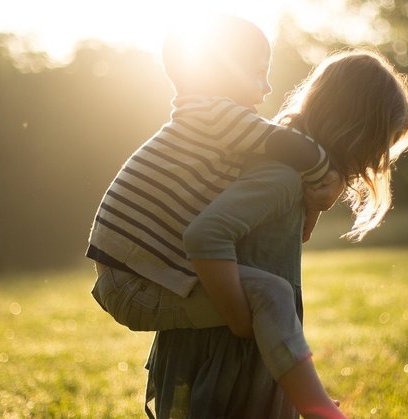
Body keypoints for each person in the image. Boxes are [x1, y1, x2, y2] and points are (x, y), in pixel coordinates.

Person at [86, 15, 347, 417]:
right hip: (134, 282)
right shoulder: (214, 115)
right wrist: (326, 177)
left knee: (264, 294)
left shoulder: (204, 122)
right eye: (260, 73)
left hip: (129, 276)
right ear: (222, 71)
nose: (267, 87)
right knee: (271, 294)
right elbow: (289, 145)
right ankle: (317, 409)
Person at [146, 50, 408, 418]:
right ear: (355, 130)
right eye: (378, 145)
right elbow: (207, 234)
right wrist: (243, 320)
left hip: (247, 342)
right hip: (226, 347)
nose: (374, 161)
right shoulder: (282, 176)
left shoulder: (292, 171)